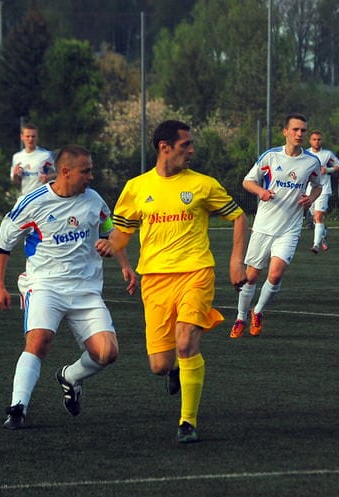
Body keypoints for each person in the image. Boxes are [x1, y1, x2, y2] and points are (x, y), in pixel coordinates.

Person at [95, 120, 248, 444]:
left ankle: (187, 421)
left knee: (186, 342)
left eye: (191, 144)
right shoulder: (137, 188)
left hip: (196, 273)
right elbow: (122, 232)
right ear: (164, 147)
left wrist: (236, 262)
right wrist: (112, 245)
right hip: (154, 280)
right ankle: (177, 370)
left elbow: (238, 216)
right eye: (185, 145)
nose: (191, 150)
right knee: (159, 365)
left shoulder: (204, 184)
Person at [0, 145, 137, 430]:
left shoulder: (95, 201)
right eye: (86, 171)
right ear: (66, 172)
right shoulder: (32, 203)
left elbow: (110, 231)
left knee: (107, 353)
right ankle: (18, 407)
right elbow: (2, 244)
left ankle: (70, 376)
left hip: (86, 290)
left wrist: (124, 264)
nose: (91, 177)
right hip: (45, 286)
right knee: (39, 340)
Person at [230, 113, 321, 338]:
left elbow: (317, 186)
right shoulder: (270, 157)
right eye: (296, 130)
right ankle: (241, 317)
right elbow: (247, 181)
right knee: (251, 277)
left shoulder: (311, 162)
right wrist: (261, 191)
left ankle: (257, 311)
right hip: (263, 226)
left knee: (276, 275)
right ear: (285, 132)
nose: (300, 134)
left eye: (303, 130)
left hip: (289, 229)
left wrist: (311, 198)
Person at [306, 130, 339, 253]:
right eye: (314, 139)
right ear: (310, 141)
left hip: (324, 189)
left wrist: (327, 170)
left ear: (322, 140)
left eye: (319, 139)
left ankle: (315, 245)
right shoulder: (305, 154)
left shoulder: (327, 154)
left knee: (318, 216)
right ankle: (323, 234)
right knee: (316, 218)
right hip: (310, 190)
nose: (317, 141)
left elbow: (338, 166)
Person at [11, 123, 56, 196]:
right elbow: (16, 183)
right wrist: (15, 175)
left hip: (42, 197)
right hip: (25, 198)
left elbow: (59, 173)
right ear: (22, 137)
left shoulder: (46, 155)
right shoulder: (17, 157)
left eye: (33, 136)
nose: (30, 139)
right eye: (27, 136)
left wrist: (48, 177)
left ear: (37, 137)